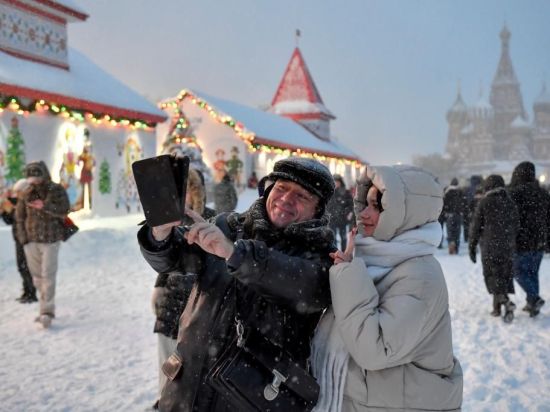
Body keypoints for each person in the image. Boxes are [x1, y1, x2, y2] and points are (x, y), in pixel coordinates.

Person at [138, 156, 335, 411]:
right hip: (187, 390)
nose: (286, 199)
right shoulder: (228, 226)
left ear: (317, 209)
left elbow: (301, 285)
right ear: (269, 189)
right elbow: (175, 259)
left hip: (249, 399)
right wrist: (161, 234)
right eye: (282, 188)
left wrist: (234, 254)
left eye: (302, 196)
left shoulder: (321, 257)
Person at [312, 165, 462, 412]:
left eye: (379, 206)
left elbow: (374, 349)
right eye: (366, 204)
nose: (364, 214)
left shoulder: (420, 276)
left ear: (405, 214)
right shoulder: (379, 258)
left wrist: (348, 277)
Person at [150, 168, 216, 410]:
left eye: (186, 189)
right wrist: (159, 287)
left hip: (199, 305)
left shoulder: (211, 219)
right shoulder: (169, 220)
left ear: (196, 191)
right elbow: (166, 260)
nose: (180, 195)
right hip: (171, 303)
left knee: (189, 371)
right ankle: (163, 402)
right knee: (166, 364)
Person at [15, 161, 70, 329]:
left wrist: (44, 206)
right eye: (31, 178)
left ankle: (46, 311)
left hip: (50, 240)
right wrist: (23, 239)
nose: (34, 181)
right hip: (31, 241)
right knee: (37, 277)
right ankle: (44, 304)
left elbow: (64, 209)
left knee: (48, 274)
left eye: (37, 177)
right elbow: (19, 217)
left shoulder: (56, 189)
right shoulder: (26, 192)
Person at [468, 175, 519, 323]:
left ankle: (503, 300)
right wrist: (509, 239)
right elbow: (516, 225)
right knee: (503, 275)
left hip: (490, 246)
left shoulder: (484, 202)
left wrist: (472, 246)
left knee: (492, 275)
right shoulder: (509, 202)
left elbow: (475, 226)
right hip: (507, 247)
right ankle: (497, 308)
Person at [508, 161, 550, 317]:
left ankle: (534, 298)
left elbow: (510, 219)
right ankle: (532, 304)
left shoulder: (513, 193)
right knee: (533, 273)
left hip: (521, 240)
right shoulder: (543, 193)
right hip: (539, 240)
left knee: (517, 271)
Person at [1, 179, 37, 303]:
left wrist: (11, 210)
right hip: (18, 239)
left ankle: (32, 293)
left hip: (27, 239)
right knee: (21, 267)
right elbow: (11, 221)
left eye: (18, 191)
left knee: (27, 267)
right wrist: (4, 212)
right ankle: (27, 291)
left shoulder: (30, 202)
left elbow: (23, 220)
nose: (16, 194)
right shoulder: (19, 202)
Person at [326, 174, 354, 250]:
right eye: (334, 181)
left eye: (337, 181)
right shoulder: (329, 192)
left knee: (343, 237)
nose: (336, 183)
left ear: (340, 182)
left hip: (342, 219)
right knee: (333, 238)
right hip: (332, 219)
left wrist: (347, 213)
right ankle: (335, 253)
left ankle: (343, 253)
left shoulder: (345, 192)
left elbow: (351, 204)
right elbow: (326, 204)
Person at [443, 177, 465, 254]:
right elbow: (464, 203)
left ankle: (451, 242)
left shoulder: (447, 192)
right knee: (457, 232)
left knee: (450, 231)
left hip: (449, 215)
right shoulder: (461, 192)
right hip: (458, 215)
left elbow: (444, 203)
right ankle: (456, 246)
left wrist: (445, 212)